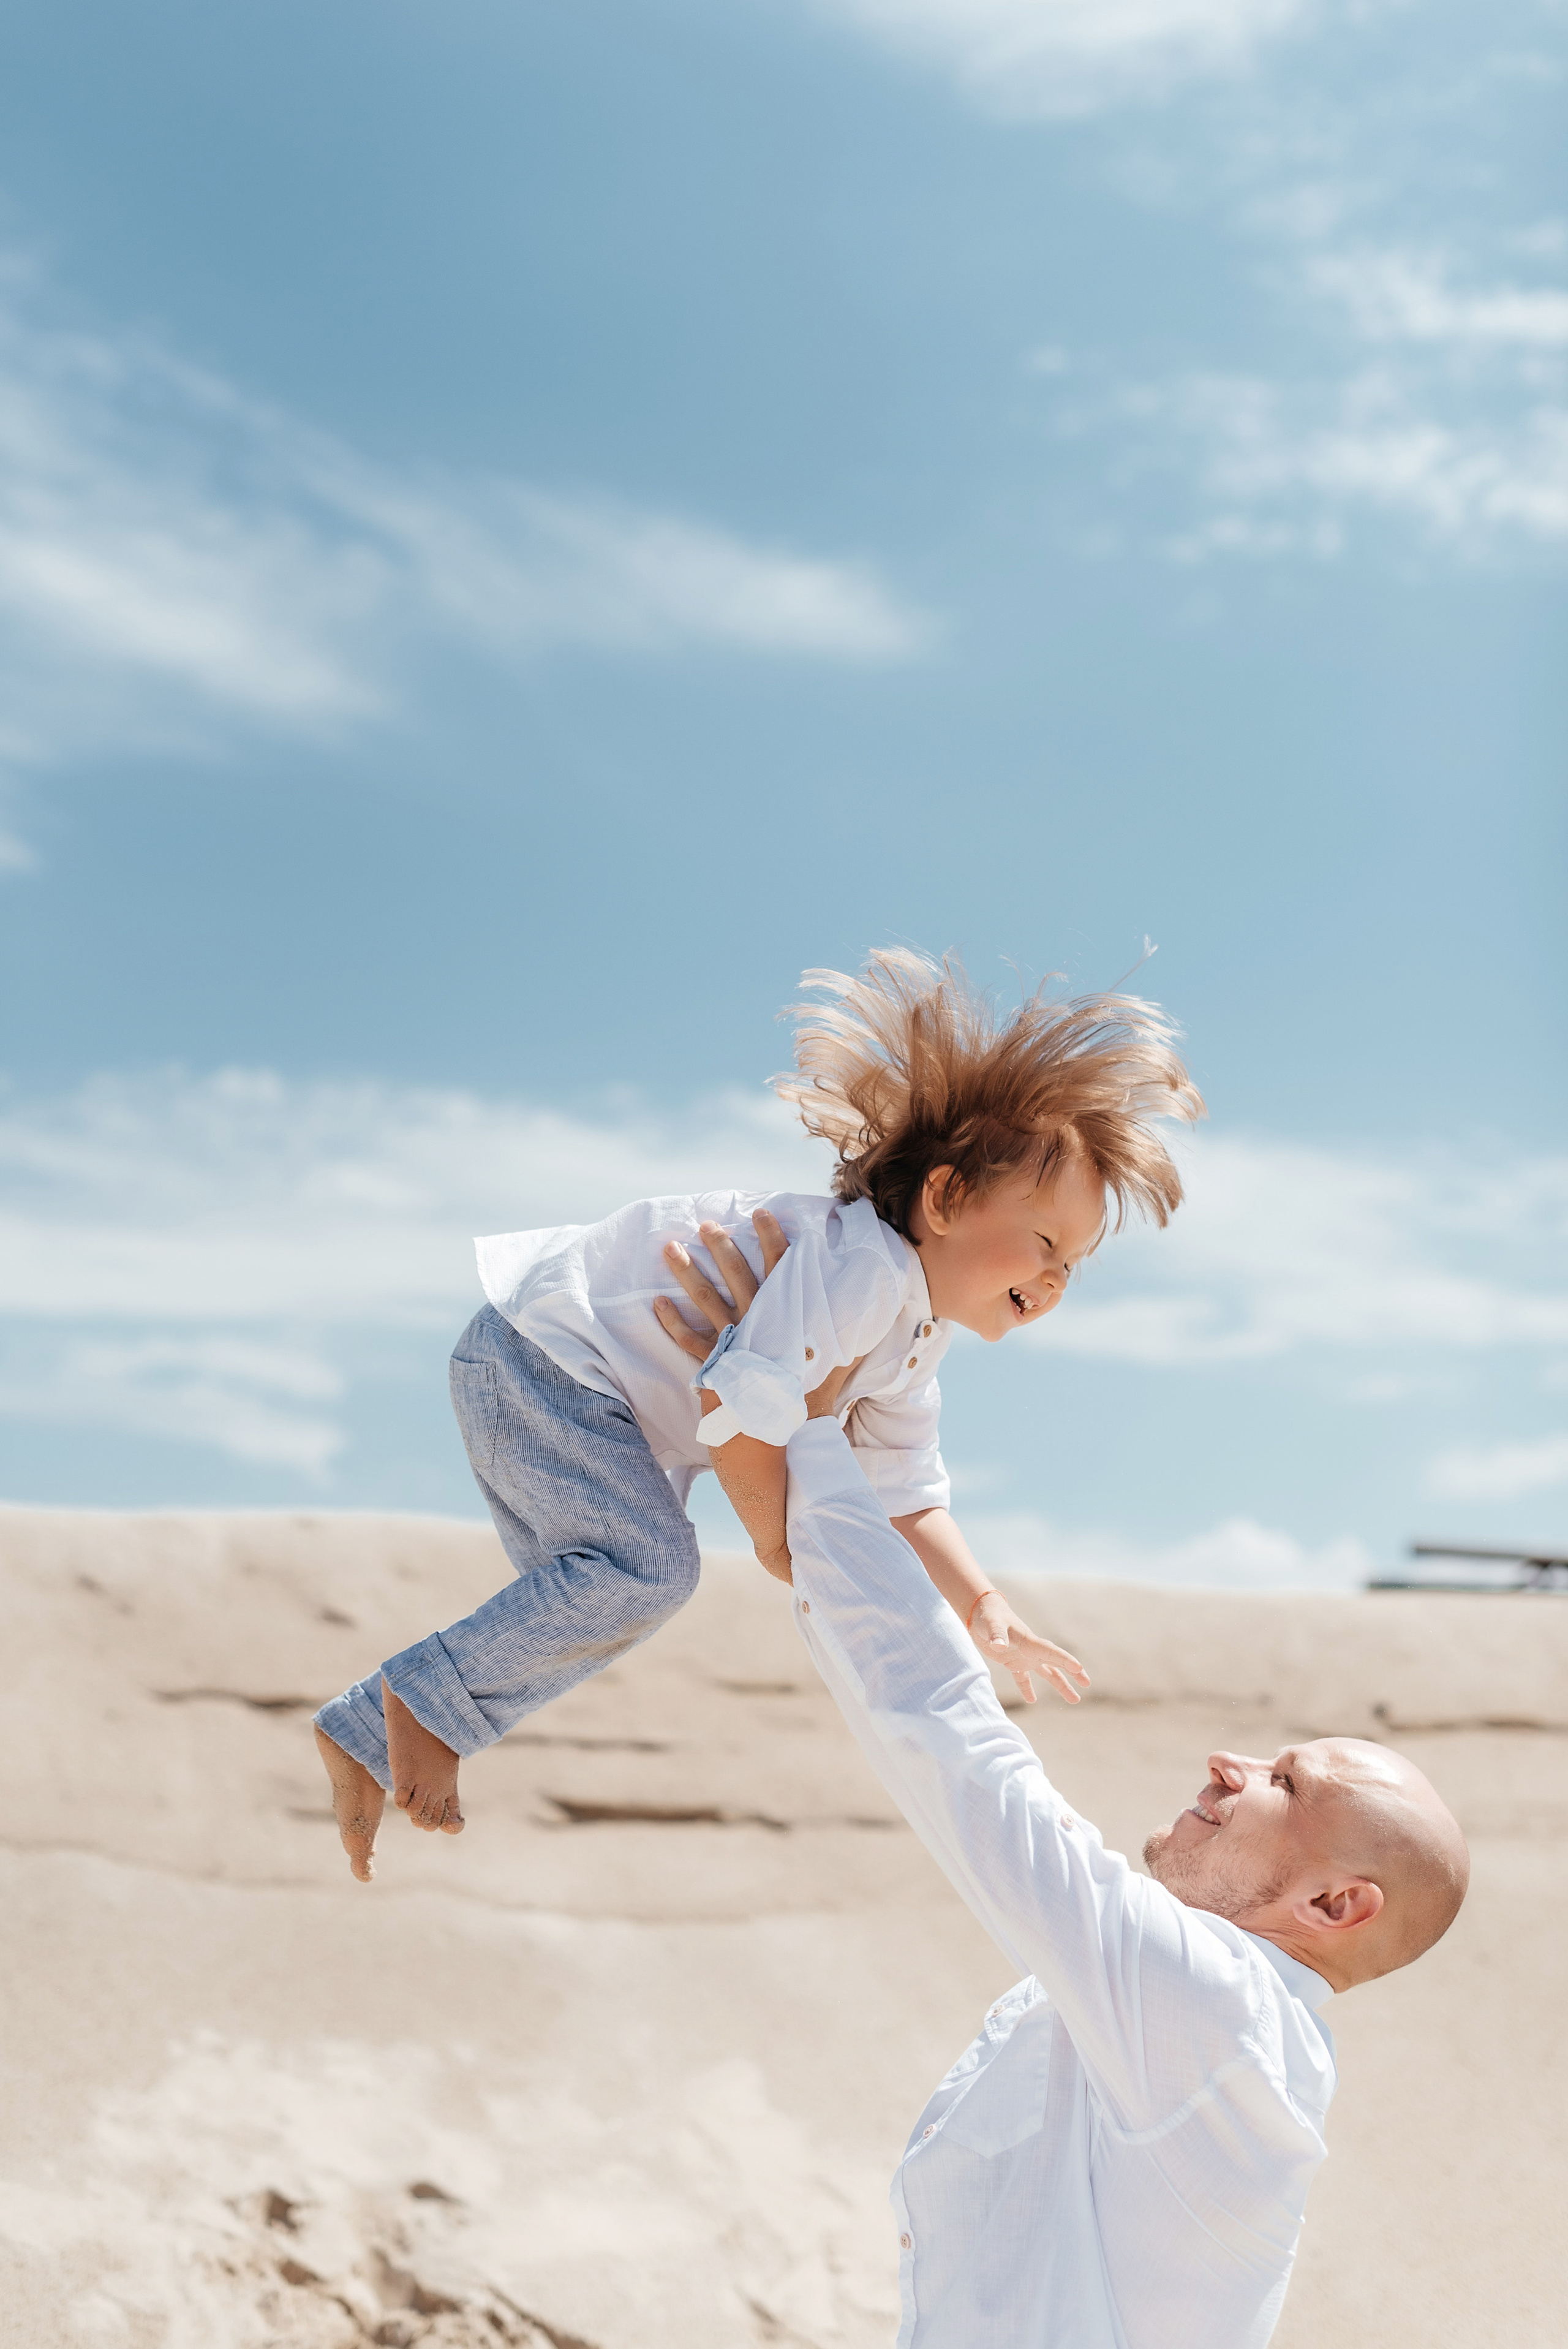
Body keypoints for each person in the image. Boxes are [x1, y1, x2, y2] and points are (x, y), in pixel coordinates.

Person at [655, 1225, 1471, 2349]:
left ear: (1336, 1905)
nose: (1229, 1763)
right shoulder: (1199, 2028)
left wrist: (791, 1409)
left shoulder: (1221, 2013)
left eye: (1286, 1778)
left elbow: (958, 1750)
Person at [314, 948, 1203, 1879]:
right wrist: (780, 1545)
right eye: (1047, 1240)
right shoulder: (861, 1269)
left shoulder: (913, 1338)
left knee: (615, 1593)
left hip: (562, 1391)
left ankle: (375, 1726)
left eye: (1076, 1264)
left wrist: (986, 1607)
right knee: (647, 1571)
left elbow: (908, 1493)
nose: (1057, 1277)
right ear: (944, 1198)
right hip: (546, 1362)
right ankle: (417, 1705)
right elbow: (738, 1416)